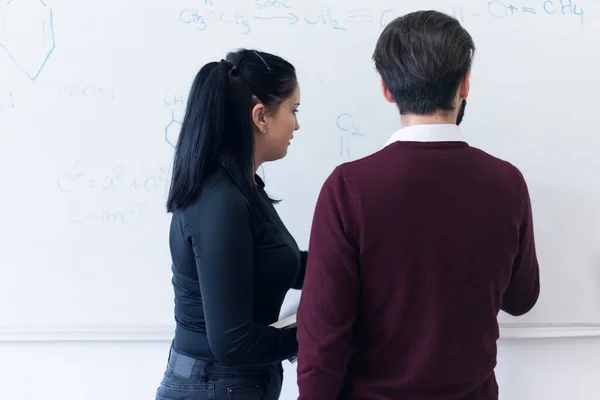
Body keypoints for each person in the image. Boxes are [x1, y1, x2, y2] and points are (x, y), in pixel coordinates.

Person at [296, 10, 540, 400]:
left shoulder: (348, 188)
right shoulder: (506, 182)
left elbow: (322, 333)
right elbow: (521, 298)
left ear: (387, 90)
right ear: (465, 83)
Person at [155, 48, 306, 400]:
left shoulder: (242, 188)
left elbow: (277, 263)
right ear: (260, 116)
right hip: (216, 385)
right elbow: (234, 344)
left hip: (230, 384)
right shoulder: (221, 203)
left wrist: (356, 267)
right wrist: (324, 330)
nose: (296, 125)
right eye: (293, 111)